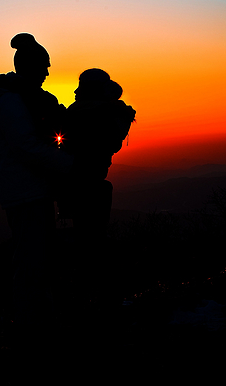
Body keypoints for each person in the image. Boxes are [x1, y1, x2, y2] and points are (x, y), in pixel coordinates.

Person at [0, 33, 72, 340]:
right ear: (30, 67)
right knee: (31, 262)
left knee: (39, 259)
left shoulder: (28, 99)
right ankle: (31, 328)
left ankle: (38, 322)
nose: (48, 73)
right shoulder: (13, 102)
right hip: (26, 194)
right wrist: (70, 165)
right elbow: (27, 147)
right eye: (44, 66)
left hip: (34, 191)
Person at [58, 68, 136, 307]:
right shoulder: (112, 113)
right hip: (93, 183)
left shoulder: (90, 113)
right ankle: (98, 298)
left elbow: (69, 136)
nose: (75, 90)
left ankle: (88, 300)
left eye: (81, 86)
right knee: (92, 241)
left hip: (79, 184)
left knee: (84, 245)